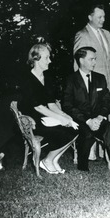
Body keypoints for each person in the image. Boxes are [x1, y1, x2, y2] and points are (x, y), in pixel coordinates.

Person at [63, 46, 110, 181]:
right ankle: (83, 166)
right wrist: (87, 121)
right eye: (91, 59)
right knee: (86, 133)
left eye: (95, 59)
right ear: (81, 60)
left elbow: (107, 102)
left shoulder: (100, 78)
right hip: (80, 121)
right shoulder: (71, 80)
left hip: (98, 119)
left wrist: (99, 117)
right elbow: (67, 105)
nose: (94, 62)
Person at [19, 43, 78, 174]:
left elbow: (51, 104)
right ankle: (46, 161)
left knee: (74, 130)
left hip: (46, 117)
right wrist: (60, 118)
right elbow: (38, 107)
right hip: (32, 121)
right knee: (63, 132)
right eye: (46, 58)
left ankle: (53, 160)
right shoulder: (27, 79)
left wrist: (65, 116)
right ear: (35, 59)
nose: (50, 61)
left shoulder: (48, 79)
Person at [73, 4, 110, 160]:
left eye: (104, 16)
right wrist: (79, 84)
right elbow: (78, 61)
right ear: (90, 17)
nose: (103, 20)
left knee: (106, 115)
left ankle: (107, 152)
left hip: (106, 83)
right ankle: (89, 153)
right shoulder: (82, 35)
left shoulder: (107, 34)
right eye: (99, 17)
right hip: (90, 84)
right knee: (91, 115)